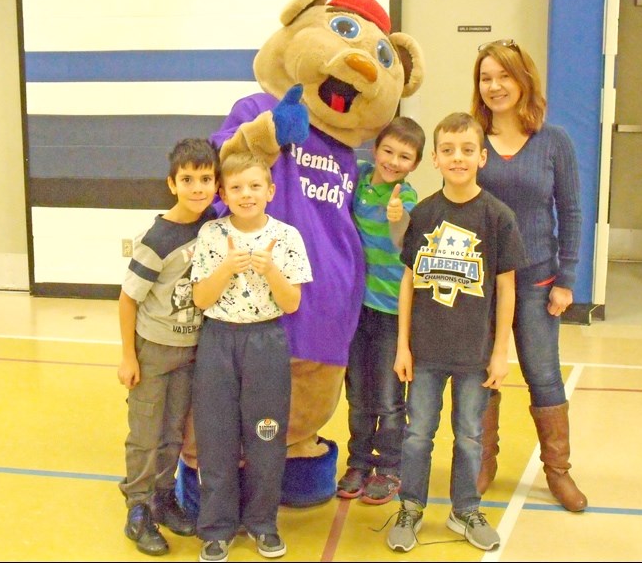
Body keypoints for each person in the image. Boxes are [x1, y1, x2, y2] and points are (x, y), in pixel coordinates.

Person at [386, 112, 526, 553]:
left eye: (467, 150)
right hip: (425, 351)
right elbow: (408, 279)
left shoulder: (498, 216)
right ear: (435, 159)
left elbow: (506, 287)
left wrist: (501, 352)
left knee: (469, 436)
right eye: (448, 150)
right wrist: (403, 344)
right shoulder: (424, 213)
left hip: (475, 352)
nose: (458, 157)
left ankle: (465, 509)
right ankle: (410, 506)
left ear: (482, 157)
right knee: (417, 435)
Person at [471, 39, 587, 512]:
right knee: (482, 374)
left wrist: (567, 278)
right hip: (480, 284)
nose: (495, 86)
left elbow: (572, 210)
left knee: (543, 375)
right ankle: (481, 462)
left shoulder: (553, 141)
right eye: (485, 78)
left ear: (524, 81)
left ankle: (558, 473)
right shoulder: (472, 138)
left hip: (538, 280)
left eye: (504, 76)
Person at [189, 152, 313, 563]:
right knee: (216, 436)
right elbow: (201, 298)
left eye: (255, 186)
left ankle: (263, 524)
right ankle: (217, 528)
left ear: (270, 191)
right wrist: (226, 268)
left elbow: (292, 303)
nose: (246, 195)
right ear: (223, 193)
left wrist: (270, 271)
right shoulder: (210, 233)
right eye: (236, 187)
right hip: (218, 342)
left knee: (265, 435)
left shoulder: (288, 236)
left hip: (266, 344)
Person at [117, 138, 220, 556]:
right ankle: (138, 507)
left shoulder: (213, 225)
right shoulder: (157, 237)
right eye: (188, 179)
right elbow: (127, 299)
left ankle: (163, 497)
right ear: (171, 183)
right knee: (146, 432)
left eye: (206, 179)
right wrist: (128, 355)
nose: (198, 188)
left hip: (192, 350)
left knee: (174, 430)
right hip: (153, 351)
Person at [336, 117, 425, 505]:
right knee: (358, 392)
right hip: (357, 309)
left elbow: (403, 240)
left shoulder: (405, 197)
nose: (393, 161)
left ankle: (390, 466)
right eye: (388, 151)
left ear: (415, 164)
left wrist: (397, 219)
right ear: (375, 150)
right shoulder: (359, 178)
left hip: (392, 312)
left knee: (389, 397)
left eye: (404, 156)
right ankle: (358, 461)